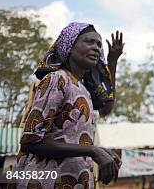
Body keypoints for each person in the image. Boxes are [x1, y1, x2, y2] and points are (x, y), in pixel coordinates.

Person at [14, 22, 123, 187]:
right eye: (89, 41)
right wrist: (92, 151)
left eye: (99, 44)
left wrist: (102, 152)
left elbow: (106, 107)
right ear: (70, 46)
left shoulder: (83, 90)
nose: (96, 48)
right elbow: (31, 141)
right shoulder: (57, 79)